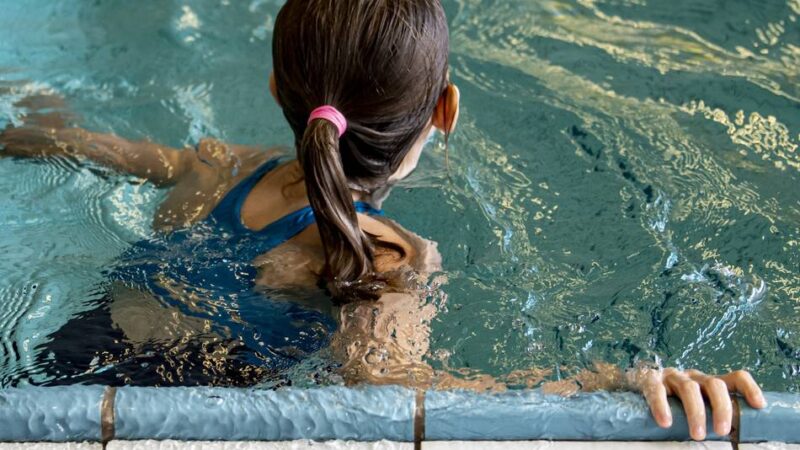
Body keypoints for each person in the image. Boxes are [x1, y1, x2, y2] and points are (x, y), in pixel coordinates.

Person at [0, 0, 764, 441]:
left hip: (58, 367)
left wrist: (29, 104)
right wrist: (621, 383)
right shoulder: (392, 258)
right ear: (446, 109)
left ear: (275, 85)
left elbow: (70, 144)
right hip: (186, 425)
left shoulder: (216, 167)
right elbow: (403, 394)